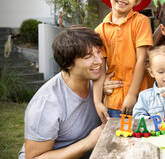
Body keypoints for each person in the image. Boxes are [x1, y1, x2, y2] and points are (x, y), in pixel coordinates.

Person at [18, 26, 104, 159]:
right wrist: (87, 143)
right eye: (88, 56)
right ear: (68, 63)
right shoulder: (46, 103)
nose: (99, 60)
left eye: (98, 51)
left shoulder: (96, 81)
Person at [93, 0, 154, 121]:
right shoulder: (100, 30)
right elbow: (99, 68)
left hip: (141, 98)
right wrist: (98, 101)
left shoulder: (140, 21)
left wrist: (132, 95)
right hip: (113, 100)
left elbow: (142, 59)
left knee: (141, 141)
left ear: (136, 0)